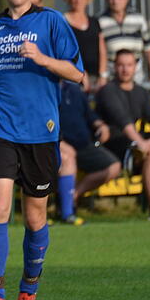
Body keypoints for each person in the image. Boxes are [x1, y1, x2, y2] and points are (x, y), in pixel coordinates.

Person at [0, 0, 84, 300]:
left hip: (40, 133)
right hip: (0, 128)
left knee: (35, 217)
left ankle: (28, 291)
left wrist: (44, 59)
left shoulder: (51, 21)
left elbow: (77, 74)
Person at [95, 50, 150, 220]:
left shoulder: (141, 91)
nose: (125, 70)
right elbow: (123, 122)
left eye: (129, 65)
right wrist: (142, 143)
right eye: (121, 65)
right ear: (115, 67)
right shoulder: (108, 91)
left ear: (136, 67)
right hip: (113, 143)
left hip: (136, 143)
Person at [57, 80, 121, 225]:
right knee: (69, 157)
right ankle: (67, 213)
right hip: (57, 144)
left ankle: (73, 196)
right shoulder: (45, 88)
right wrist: (58, 141)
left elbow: (90, 115)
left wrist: (101, 125)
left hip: (84, 145)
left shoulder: (74, 90)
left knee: (114, 166)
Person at [98, 0, 150, 92]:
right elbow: (101, 52)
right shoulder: (100, 21)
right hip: (111, 79)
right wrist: (103, 76)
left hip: (137, 78)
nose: (115, 1)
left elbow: (149, 49)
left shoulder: (138, 19)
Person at [61, 0, 106, 92]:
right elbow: (62, 51)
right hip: (73, 78)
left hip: (96, 78)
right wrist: (80, 73)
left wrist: (103, 75)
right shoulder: (62, 21)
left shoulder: (94, 21)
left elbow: (102, 50)